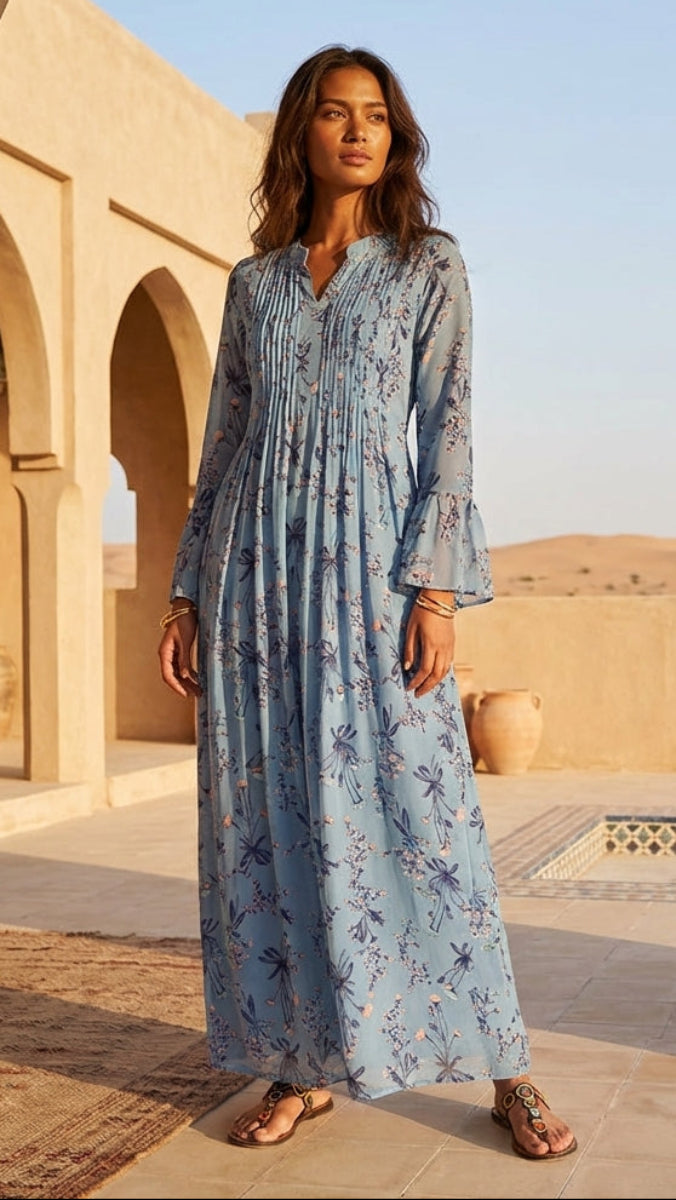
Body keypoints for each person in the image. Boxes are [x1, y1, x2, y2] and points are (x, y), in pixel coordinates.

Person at [159, 44, 577, 1161]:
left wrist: (434, 590)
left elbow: (449, 430)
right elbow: (222, 447)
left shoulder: (426, 265)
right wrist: (188, 593)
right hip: (252, 577)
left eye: (377, 116)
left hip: (372, 571)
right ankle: (298, 1067)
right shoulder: (253, 284)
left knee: (423, 820)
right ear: (301, 131)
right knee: (269, 821)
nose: (357, 132)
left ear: (396, 137)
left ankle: (508, 1067)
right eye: (337, 113)